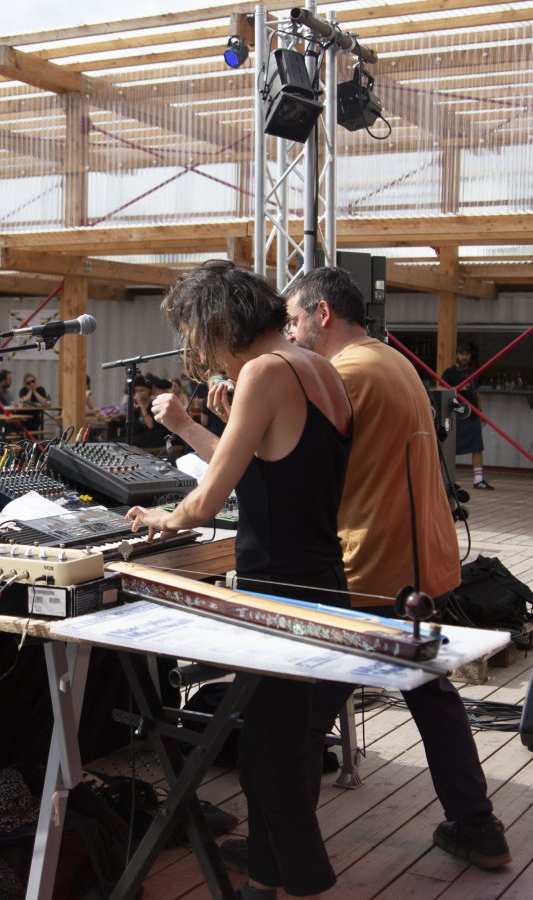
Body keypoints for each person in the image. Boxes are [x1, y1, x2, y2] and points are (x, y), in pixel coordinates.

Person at [127, 259, 352, 900]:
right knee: (274, 751)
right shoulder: (318, 368)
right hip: (319, 577)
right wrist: (196, 427)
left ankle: (302, 885)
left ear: (222, 326)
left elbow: (204, 502)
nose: (204, 358)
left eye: (201, 341)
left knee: (273, 761)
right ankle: (264, 879)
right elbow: (263, 472)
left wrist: (163, 517)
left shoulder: (265, 371)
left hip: (278, 587)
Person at [283, 266, 511, 870]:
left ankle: (283, 849)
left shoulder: (343, 374)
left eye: (293, 321)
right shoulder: (393, 362)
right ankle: (476, 825)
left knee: (307, 711)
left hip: (369, 568)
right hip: (416, 564)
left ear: (322, 314)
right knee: (432, 696)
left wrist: (202, 425)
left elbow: (291, 471)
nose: (291, 334)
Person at [441, 342, 493, 490]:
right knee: (450, 448)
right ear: (457, 355)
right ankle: (449, 479)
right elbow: (442, 390)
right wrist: (456, 389)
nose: (464, 357)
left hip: (472, 414)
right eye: (461, 354)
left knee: (477, 447)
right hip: (456, 414)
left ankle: (478, 480)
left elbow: (477, 393)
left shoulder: (474, 372)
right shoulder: (449, 372)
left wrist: (480, 412)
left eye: (467, 354)